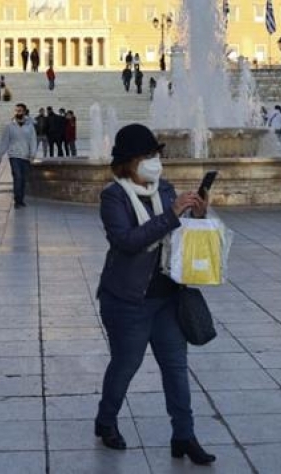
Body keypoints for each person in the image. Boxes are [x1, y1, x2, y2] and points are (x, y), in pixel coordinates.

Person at [95, 123, 216, 466]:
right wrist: (171, 214)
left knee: (176, 368)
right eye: (147, 156)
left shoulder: (164, 189)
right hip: (127, 299)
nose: (154, 162)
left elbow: (178, 233)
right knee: (126, 365)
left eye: (155, 155)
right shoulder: (113, 196)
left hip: (167, 296)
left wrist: (197, 213)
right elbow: (128, 242)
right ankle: (106, 420)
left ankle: (184, 435)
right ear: (129, 162)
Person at [0, 103, 38, 209]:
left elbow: (33, 140)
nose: (17, 112)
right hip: (14, 155)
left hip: (25, 155)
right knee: (17, 176)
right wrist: (0, 154)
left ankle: (21, 199)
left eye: (20, 110)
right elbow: (5, 140)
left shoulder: (30, 126)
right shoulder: (9, 125)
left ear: (24, 111)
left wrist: (33, 154)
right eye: (16, 110)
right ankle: (17, 200)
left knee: (23, 178)